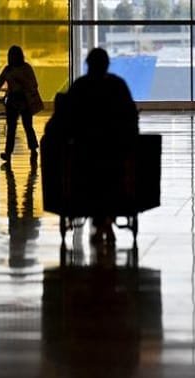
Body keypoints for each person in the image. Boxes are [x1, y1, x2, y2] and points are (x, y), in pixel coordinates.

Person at [67, 47, 139, 245]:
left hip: (86, 149)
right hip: (114, 149)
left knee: (88, 179)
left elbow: (67, 117)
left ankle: (101, 222)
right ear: (107, 65)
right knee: (112, 179)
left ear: (88, 64)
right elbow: (131, 116)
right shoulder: (117, 85)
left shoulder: (80, 87)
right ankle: (106, 221)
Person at [0, 45, 43, 162]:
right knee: (16, 127)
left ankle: (28, 150)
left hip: (19, 100)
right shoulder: (21, 68)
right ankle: (25, 151)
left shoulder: (14, 69)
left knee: (24, 127)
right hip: (18, 100)